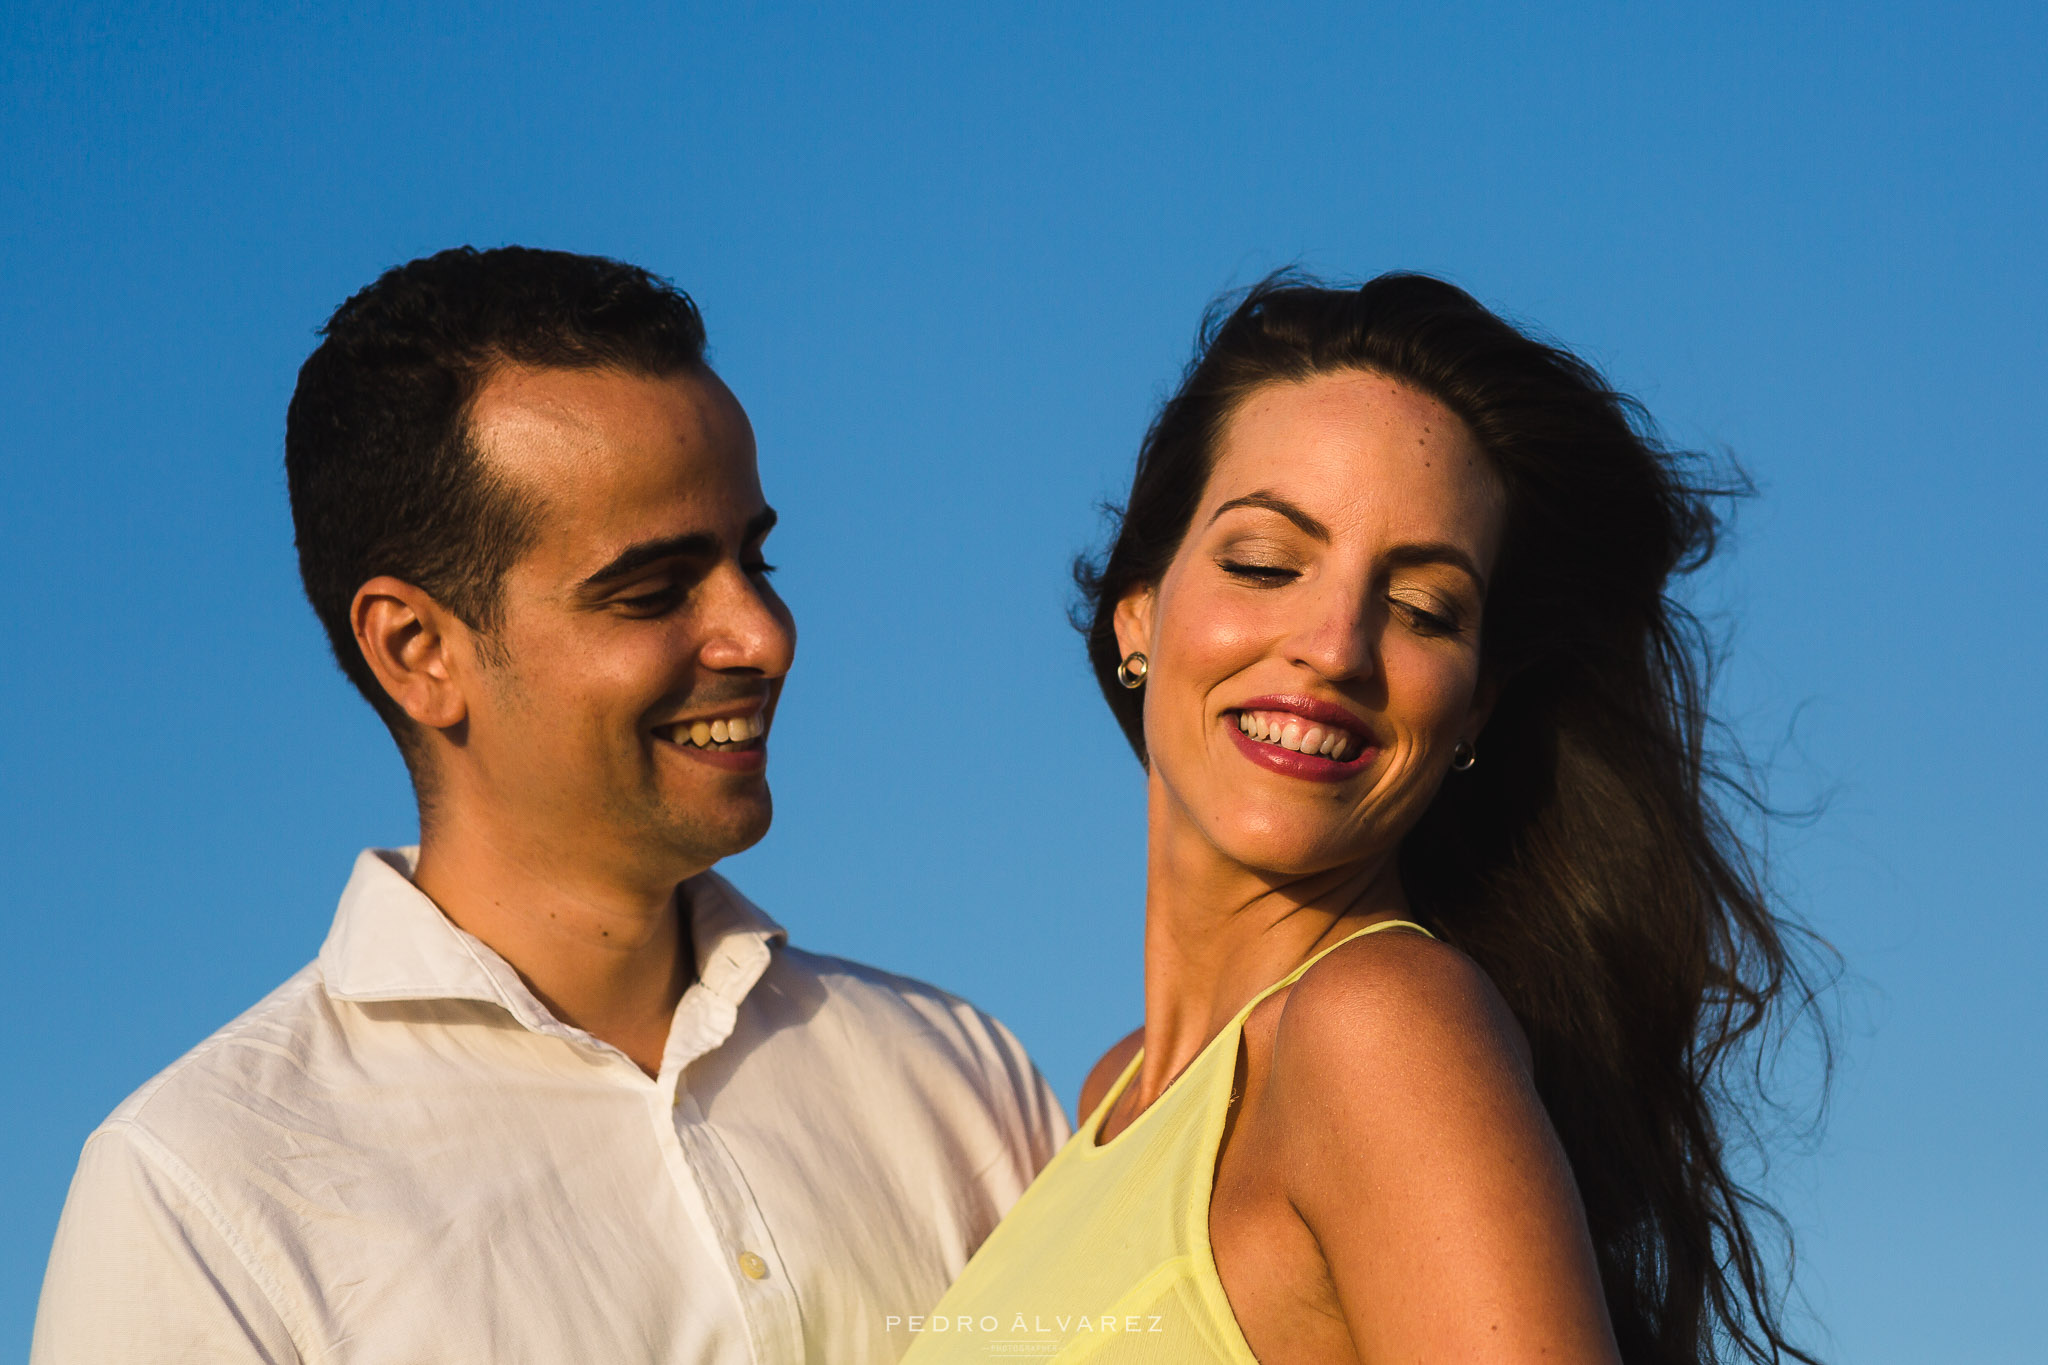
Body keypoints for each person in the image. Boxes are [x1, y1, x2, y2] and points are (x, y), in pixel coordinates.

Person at [32, 246, 1069, 1364]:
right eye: (651, 591)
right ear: (417, 649)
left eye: (754, 563)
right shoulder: (206, 1195)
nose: (762, 637)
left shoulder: (956, 1078)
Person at [905, 273, 1822, 1364]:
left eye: (1422, 608)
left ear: (1474, 705)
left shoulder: (1379, 1028)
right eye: (1263, 563)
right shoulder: (1112, 1100)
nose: (1334, 645)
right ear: (1137, 614)